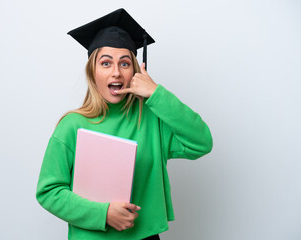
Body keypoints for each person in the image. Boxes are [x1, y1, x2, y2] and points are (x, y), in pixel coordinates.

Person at [36, 8, 213, 240]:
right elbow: (49, 192)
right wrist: (104, 213)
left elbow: (201, 142)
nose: (116, 73)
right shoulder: (72, 126)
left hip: (145, 237)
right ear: (93, 71)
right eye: (106, 63)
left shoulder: (152, 119)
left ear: (136, 71)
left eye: (125, 64)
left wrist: (156, 94)